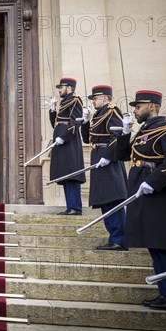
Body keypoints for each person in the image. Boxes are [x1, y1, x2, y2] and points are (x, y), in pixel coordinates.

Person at [114, 90, 166, 311]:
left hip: (158, 193)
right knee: (154, 245)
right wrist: (125, 134)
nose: (135, 110)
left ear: (152, 106)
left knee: (164, 244)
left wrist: (154, 182)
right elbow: (122, 156)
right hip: (142, 192)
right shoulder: (144, 131)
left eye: (139, 106)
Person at [81, 85, 128, 250]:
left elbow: (118, 136)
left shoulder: (112, 111)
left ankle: (119, 239)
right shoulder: (97, 115)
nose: (93, 101)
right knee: (105, 200)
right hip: (98, 157)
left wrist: (107, 156)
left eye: (96, 98)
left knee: (113, 199)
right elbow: (87, 139)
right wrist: (86, 122)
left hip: (109, 159)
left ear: (106, 98)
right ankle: (114, 237)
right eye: (93, 98)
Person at [49, 77, 85, 215]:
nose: (59, 89)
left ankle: (75, 207)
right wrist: (52, 110)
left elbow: (75, 122)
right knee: (65, 175)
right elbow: (56, 124)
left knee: (71, 175)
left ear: (69, 87)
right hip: (61, 141)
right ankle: (71, 206)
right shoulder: (65, 101)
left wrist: (64, 137)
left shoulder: (75, 100)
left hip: (69, 142)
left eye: (61, 87)